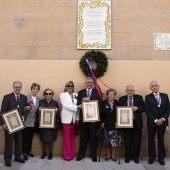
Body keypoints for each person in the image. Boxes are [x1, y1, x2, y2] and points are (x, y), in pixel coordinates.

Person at [0, 81, 27, 167]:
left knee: (19, 141)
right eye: (16, 87)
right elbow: (3, 111)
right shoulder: (7, 97)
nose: (17, 88)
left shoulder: (24, 97)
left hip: (19, 124)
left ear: (21, 88)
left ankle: (18, 157)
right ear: (13, 87)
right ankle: (7, 159)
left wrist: (24, 116)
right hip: (9, 125)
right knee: (9, 142)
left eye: (19, 87)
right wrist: (3, 123)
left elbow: (26, 109)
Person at [76, 77, 102, 162]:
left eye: (90, 82)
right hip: (83, 119)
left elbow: (100, 106)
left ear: (93, 83)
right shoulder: (80, 92)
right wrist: (82, 100)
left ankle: (93, 155)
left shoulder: (97, 92)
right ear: (85, 83)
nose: (89, 84)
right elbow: (77, 104)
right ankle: (81, 154)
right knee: (83, 137)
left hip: (93, 120)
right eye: (87, 82)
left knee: (93, 138)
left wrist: (97, 119)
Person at [145, 81, 170, 165]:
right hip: (152, 122)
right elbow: (147, 111)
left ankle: (161, 158)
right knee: (151, 140)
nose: (154, 87)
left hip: (162, 122)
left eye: (156, 86)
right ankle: (151, 157)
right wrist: (155, 120)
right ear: (150, 88)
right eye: (152, 86)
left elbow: (168, 109)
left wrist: (162, 119)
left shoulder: (165, 96)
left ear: (159, 86)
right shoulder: (148, 97)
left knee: (161, 140)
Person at [119, 85, 145, 164]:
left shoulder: (139, 97)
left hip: (137, 122)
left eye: (131, 90)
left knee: (137, 141)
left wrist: (137, 108)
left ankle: (136, 157)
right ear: (125, 91)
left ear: (134, 91)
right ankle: (127, 157)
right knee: (128, 141)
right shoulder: (122, 99)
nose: (129, 92)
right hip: (126, 123)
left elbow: (144, 108)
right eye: (128, 90)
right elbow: (119, 111)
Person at [60, 80, 81, 161]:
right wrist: (77, 107)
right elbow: (65, 106)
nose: (70, 87)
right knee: (66, 137)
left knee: (72, 137)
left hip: (74, 118)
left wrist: (78, 118)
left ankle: (72, 154)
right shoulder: (62, 95)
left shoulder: (76, 95)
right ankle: (66, 155)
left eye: (72, 86)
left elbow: (78, 108)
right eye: (68, 86)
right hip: (66, 118)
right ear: (66, 87)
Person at [38, 88, 59, 160]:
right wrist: (39, 110)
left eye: (50, 93)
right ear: (44, 94)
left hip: (52, 124)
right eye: (46, 93)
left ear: (52, 94)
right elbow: (37, 114)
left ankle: (50, 153)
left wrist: (56, 111)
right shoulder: (41, 102)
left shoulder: (55, 103)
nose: (48, 95)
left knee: (51, 139)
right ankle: (44, 153)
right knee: (43, 139)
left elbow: (58, 115)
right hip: (43, 124)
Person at [22, 83, 41, 160]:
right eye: (34, 89)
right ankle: (24, 152)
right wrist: (25, 108)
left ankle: (29, 151)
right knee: (25, 138)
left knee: (31, 137)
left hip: (34, 121)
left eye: (36, 89)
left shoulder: (39, 99)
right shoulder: (26, 97)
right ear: (31, 89)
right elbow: (22, 107)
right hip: (26, 121)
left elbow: (37, 110)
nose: (35, 90)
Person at [100, 88, 120, 161]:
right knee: (107, 141)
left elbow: (120, 114)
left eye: (112, 94)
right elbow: (100, 114)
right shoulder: (103, 103)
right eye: (109, 94)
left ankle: (113, 155)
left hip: (115, 125)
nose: (110, 96)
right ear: (107, 95)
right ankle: (108, 154)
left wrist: (119, 122)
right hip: (106, 125)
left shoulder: (118, 103)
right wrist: (102, 122)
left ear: (114, 95)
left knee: (114, 141)